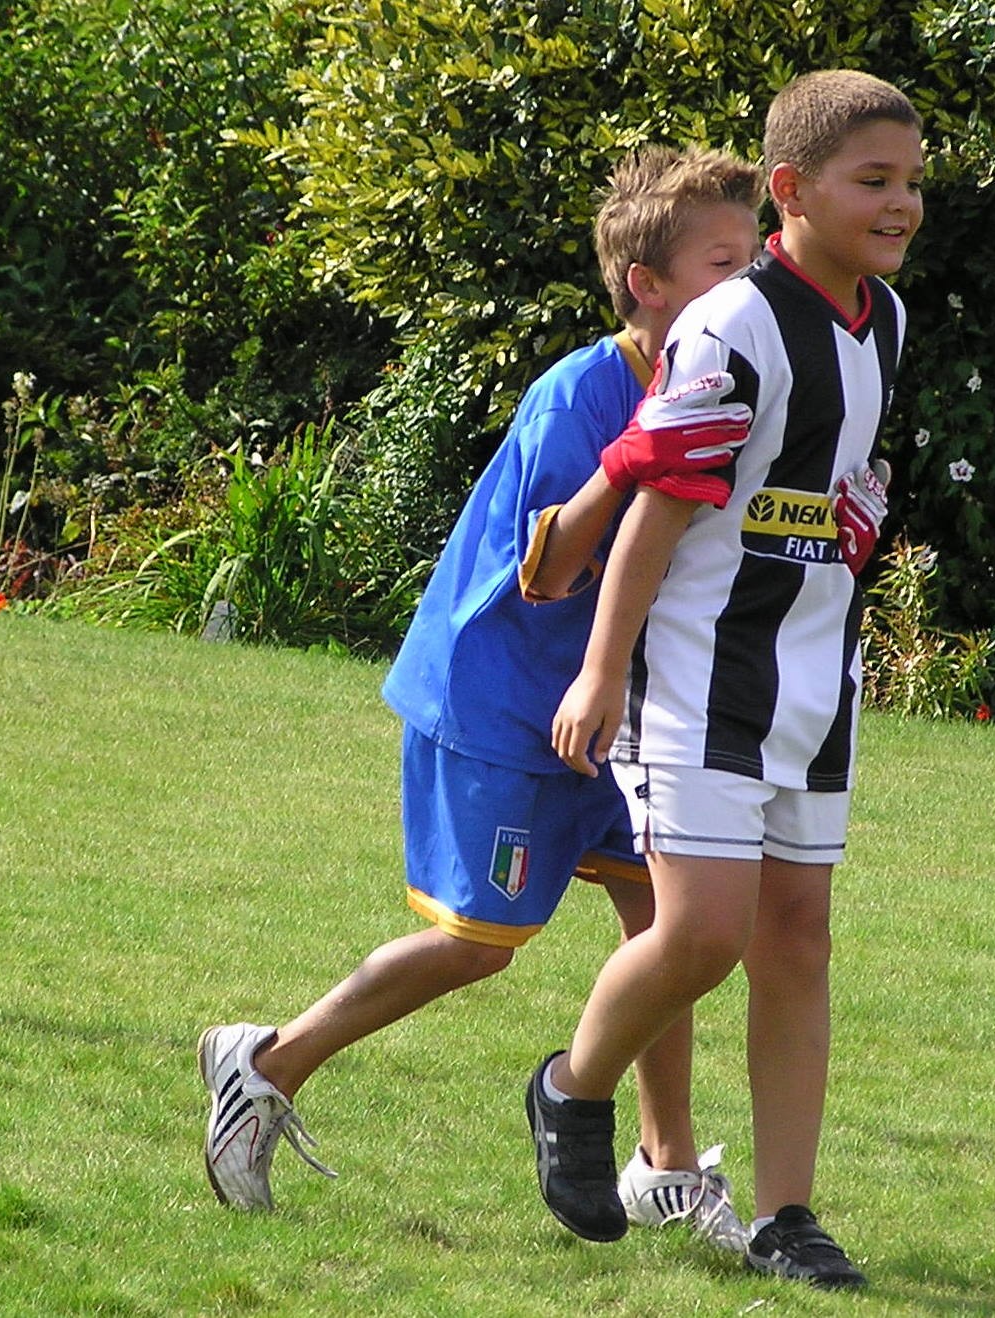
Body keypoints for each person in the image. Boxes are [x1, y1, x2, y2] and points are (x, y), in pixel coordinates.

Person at [197, 145, 766, 1253]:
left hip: (627, 712)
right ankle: (264, 1063)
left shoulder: (725, 379)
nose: (744, 286)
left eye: (753, 262)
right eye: (722, 263)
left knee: (666, 925)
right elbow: (547, 567)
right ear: (647, 284)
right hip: (507, 706)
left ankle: (664, 1164)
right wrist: (630, 466)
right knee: (480, 943)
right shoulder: (584, 394)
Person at [529, 70, 925, 1291]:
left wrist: (853, 522)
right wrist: (601, 670)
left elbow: (828, 483)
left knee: (796, 939)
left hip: (816, 683)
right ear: (791, 190)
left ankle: (785, 1215)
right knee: (701, 932)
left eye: (912, 183)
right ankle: (571, 1089)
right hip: (700, 678)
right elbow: (655, 508)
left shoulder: (885, 320)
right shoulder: (730, 323)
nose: (901, 204)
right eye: (873, 181)